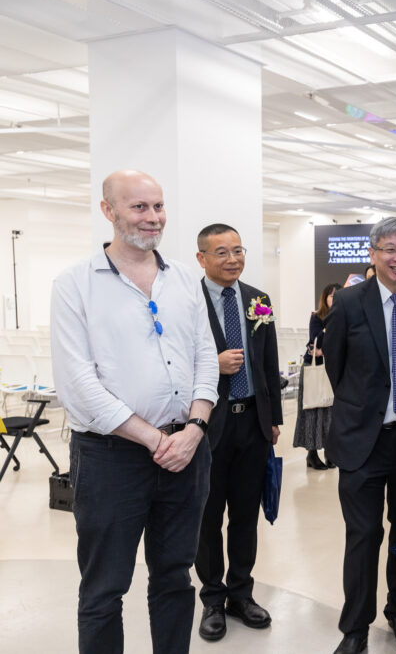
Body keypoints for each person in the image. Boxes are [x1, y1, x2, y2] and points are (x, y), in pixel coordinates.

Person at [51, 170, 218, 654]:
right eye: (139, 207)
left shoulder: (185, 279)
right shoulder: (74, 284)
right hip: (111, 459)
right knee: (105, 589)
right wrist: (153, 439)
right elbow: (79, 385)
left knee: (174, 577)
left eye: (159, 207)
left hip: (186, 452)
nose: (153, 218)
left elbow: (206, 357)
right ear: (109, 211)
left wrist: (195, 427)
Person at [322, 218, 396, 654]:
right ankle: (355, 626)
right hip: (363, 440)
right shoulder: (347, 302)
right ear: (373, 254)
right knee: (362, 536)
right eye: (390, 249)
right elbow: (336, 367)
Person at [194, 223, 283, 642]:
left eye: (238, 250)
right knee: (208, 517)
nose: (233, 259)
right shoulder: (188, 301)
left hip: (253, 422)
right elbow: (175, 362)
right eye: (222, 252)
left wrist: (275, 418)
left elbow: (269, 363)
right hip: (209, 423)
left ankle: (240, 593)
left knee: (246, 515)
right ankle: (212, 598)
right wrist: (214, 363)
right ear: (202, 259)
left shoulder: (257, 300)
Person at [295, 282, 341, 470]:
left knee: (331, 413)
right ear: (325, 298)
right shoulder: (317, 316)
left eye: (338, 296)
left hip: (333, 369)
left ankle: (331, 453)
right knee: (313, 411)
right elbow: (315, 341)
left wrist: (326, 343)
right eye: (331, 295)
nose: (334, 299)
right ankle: (312, 455)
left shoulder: (344, 316)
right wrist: (328, 330)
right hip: (314, 369)